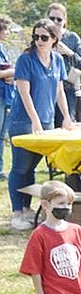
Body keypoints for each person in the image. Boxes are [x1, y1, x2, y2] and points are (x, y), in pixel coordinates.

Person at [8, 18, 72, 230]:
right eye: (36, 37)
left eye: (44, 37)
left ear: (54, 39)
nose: (39, 41)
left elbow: (59, 91)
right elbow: (24, 92)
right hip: (23, 120)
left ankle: (28, 209)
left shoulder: (57, 60)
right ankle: (18, 212)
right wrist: (35, 120)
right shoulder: (26, 59)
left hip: (46, 120)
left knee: (32, 167)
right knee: (20, 167)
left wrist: (66, 116)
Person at [46, 3, 81, 125]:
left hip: (68, 89)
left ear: (65, 21)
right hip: (47, 88)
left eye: (59, 19)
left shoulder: (72, 38)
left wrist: (69, 52)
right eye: (52, 18)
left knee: (66, 124)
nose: (55, 21)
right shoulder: (42, 36)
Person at [0, 15, 14, 180]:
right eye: (7, 29)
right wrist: (11, 73)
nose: (9, 32)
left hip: (6, 94)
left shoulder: (3, 48)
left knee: (2, 134)